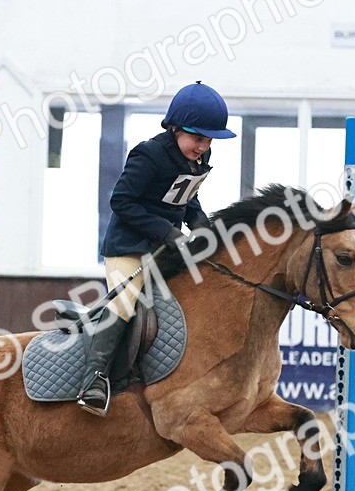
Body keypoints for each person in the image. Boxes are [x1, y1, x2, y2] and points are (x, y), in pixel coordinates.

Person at [76, 82, 236, 417]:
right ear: (176, 129)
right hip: (128, 248)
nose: (204, 146)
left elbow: (186, 198)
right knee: (125, 302)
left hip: (165, 250)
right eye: (198, 138)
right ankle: (94, 379)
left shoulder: (198, 156)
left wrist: (203, 226)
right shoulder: (148, 155)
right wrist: (166, 231)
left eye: (208, 140)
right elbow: (120, 201)